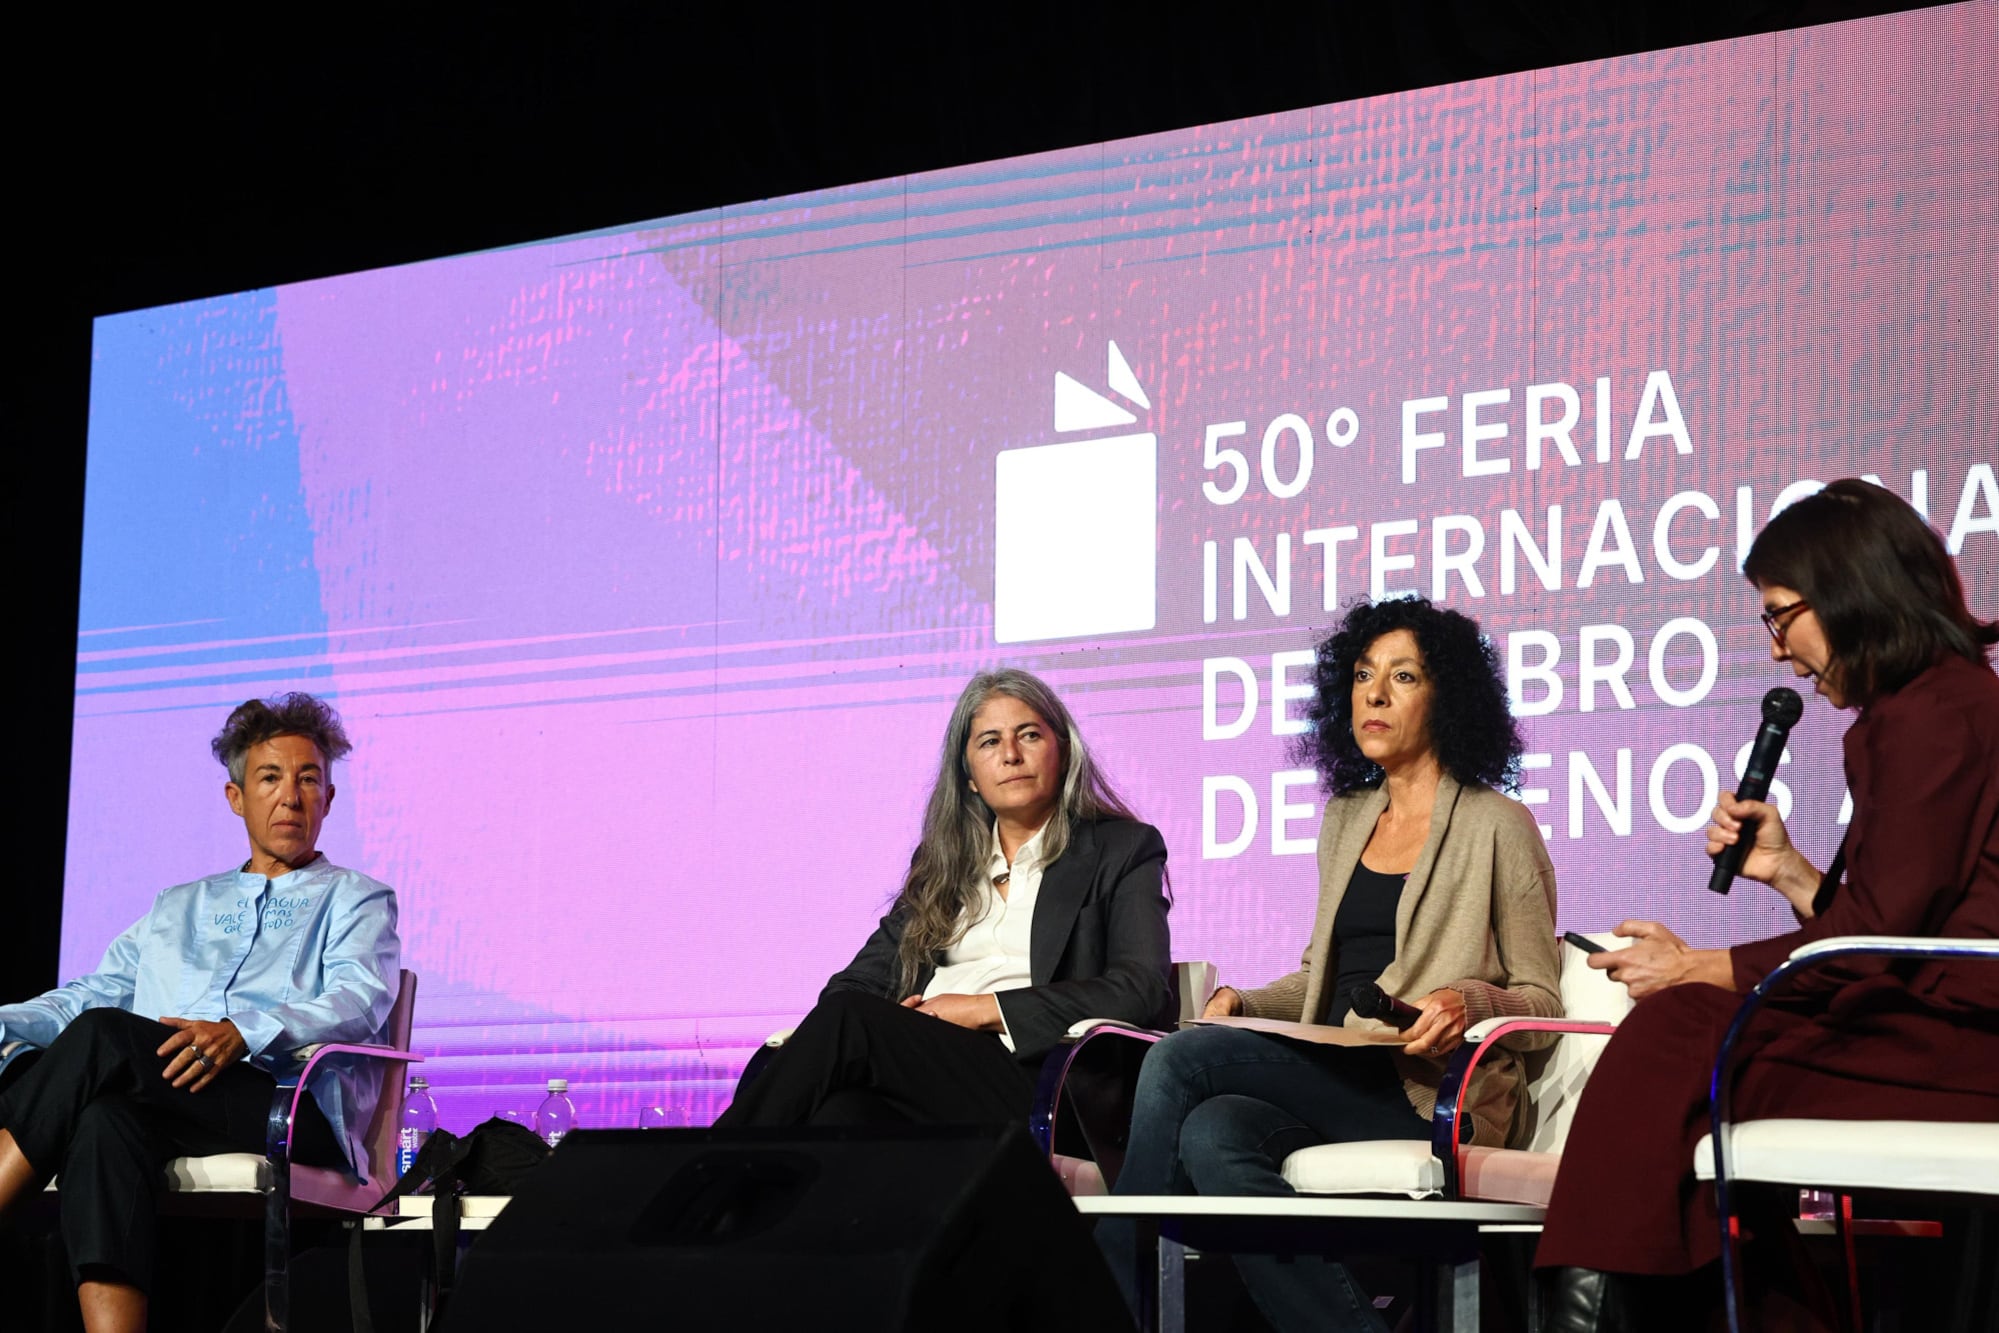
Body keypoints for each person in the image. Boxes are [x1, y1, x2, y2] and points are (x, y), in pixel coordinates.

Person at [1536, 479, 1999, 1332]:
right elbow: (1902, 919)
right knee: (1686, 1075)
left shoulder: (1933, 716)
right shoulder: (1939, 704)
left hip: (1965, 1042)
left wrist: (1696, 966)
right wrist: (1788, 872)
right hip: (1934, 1020)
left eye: (1781, 615)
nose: (1779, 650)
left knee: (1679, 1034)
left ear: (1850, 593)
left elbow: (1875, 941)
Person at [1102, 596, 1562, 1332]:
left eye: (1403, 676)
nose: (1373, 694)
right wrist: (1247, 1004)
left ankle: (1099, 1301)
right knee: (1213, 1133)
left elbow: (1542, 1001)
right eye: (1362, 674)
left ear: (1446, 697)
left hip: (1430, 1092)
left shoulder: (1497, 825)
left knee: (1179, 1061)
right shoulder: (1346, 818)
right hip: (1343, 1070)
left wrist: (1468, 1003)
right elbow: (1322, 976)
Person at [0, 693, 401, 1333]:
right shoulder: (178, 906)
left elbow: (359, 998)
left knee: (103, 1040)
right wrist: (7, 1023)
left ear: (328, 799)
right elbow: (95, 992)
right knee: (103, 1124)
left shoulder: (358, 899)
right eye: (270, 778)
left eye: (308, 780)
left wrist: (245, 1032)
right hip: (177, 1096)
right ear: (236, 797)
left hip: (289, 1106)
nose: (290, 797)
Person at [714, 668, 1172, 1130]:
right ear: (969, 776)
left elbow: (1139, 989)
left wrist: (980, 1010)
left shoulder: (1121, 849)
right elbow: (853, 986)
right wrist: (900, 1028)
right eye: (989, 742)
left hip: (1037, 1078)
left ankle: (705, 1165)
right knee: (842, 1115)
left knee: (852, 1022)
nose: (1011, 755)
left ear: (1064, 751)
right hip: (932, 1070)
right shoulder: (945, 867)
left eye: (1029, 735)